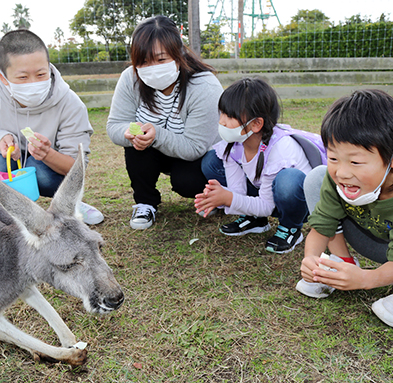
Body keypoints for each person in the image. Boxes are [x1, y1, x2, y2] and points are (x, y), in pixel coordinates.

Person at [0, 29, 103, 225]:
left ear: (49, 67)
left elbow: (76, 168)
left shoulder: (70, 103)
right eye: (23, 77)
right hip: (2, 169)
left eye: (41, 74)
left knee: (36, 167)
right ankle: (1, 215)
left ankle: (68, 204)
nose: (33, 83)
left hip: (47, 172)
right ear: (1, 75)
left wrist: (47, 154)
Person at [106, 15, 224, 230]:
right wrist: (130, 132)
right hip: (159, 149)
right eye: (143, 61)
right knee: (134, 143)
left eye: (161, 59)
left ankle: (216, 195)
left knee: (186, 182)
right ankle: (145, 203)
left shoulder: (204, 86)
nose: (152, 68)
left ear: (178, 55)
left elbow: (195, 147)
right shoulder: (129, 78)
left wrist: (156, 134)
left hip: (201, 155)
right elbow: (114, 125)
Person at [296, 89, 393, 327]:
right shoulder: (337, 178)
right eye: (333, 158)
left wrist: (367, 280)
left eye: (355, 161)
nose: (342, 172)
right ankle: (342, 263)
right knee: (317, 177)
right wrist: (312, 260)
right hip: (375, 242)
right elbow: (321, 228)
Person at [195, 77, 326, 253]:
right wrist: (219, 195)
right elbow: (238, 192)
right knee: (211, 160)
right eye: (222, 113)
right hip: (268, 195)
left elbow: (267, 206)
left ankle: (291, 227)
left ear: (256, 124)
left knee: (289, 179)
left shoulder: (280, 149)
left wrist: (227, 198)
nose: (222, 122)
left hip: (299, 203)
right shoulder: (233, 144)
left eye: (230, 116)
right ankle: (254, 220)